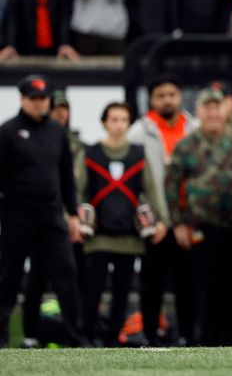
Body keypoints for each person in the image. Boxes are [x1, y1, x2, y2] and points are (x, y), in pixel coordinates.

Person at [165, 88, 232, 346]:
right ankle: (200, 336)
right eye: (208, 108)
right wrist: (178, 221)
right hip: (200, 225)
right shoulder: (187, 144)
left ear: (225, 110)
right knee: (202, 284)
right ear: (199, 112)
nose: (214, 113)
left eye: (218, 107)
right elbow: (171, 185)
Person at [0, 75, 85, 348]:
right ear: (22, 99)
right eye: (34, 99)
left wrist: (73, 214)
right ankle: (1, 337)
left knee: (67, 275)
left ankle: (76, 338)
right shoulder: (7, 131)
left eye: (43, 99)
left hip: (51, 216)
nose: (40, 104)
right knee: (9, 278)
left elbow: (66, 177)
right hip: (16, 214)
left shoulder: (58, 132)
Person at [78, 102, 164, 346]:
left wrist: (162, 221)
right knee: (92, 289)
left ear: (128, 123)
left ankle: (114, 336)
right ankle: (86, 335)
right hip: (98, 237)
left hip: (129, 236)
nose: (118, 125)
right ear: (104, 122)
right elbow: (78, 189)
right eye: (113, 119)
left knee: (122, 292)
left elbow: (152, 190)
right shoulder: (91, 152)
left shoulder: (138, 153)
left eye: (123, 120)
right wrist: (76, 219)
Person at [128, 74, 197, 346]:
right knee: (151, 283)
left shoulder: (194, 128)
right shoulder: (138, 132)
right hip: (155, 224)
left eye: (172, 94)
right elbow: (134, 185)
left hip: (186, 222)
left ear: (179, 96)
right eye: (161, 95)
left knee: (187, 283)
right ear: (151, 99)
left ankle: (187, 336)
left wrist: (188, 220)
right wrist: (151, 220)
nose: (167, 100)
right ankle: (149, 334)